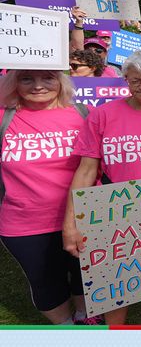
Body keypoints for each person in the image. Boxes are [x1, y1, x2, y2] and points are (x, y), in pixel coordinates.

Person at [63, 51, 141, 325]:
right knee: (116, 272)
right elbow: (86, 169)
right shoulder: (103, 115)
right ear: (126, 80)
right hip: (113, 205)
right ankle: (116, 328)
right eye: (135, 81)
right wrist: (70, 222)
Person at [0, 69, 97, 325]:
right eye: (26, 79)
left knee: (85, 276)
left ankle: (85, 316)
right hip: (25, 224)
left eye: (48, 78)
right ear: (13, 83)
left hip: (84, 217)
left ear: (61, 80)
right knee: (46, 283)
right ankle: (65, 328)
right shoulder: (4, 118)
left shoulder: (85, 113)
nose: (38, 86)